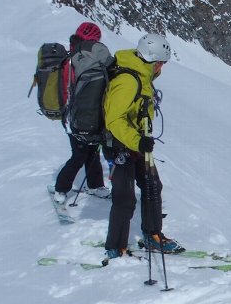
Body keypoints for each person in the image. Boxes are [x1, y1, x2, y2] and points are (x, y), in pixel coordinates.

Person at [102, 33, 184, 260]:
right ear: (156, 62)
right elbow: (114, 119)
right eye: (162, 64)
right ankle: (115, 246)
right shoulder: (128, 80)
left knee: (152, 186)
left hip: (137, 144)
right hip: (120, 145)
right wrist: (137, 141)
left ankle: (153, 234)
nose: (161, 69)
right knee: (124, 197)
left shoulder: (142, 75)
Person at [52, 21, 111, 203]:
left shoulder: (73, 58)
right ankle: (61, 189)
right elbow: (66, 89)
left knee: (92, 151)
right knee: (79, 155)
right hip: (75, 116)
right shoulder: (74, 61)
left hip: (83, 115)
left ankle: (95, 185)